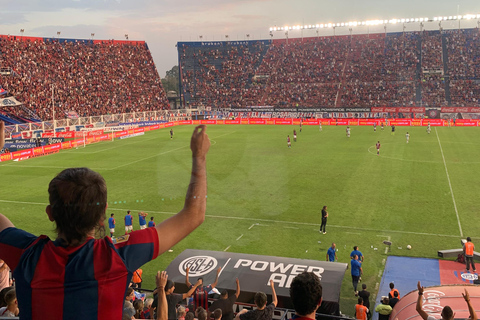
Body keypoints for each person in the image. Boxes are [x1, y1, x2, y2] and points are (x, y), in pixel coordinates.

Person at [0, 125, 210, 319]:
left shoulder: (26, 253)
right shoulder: (117, 256)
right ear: (102, 218)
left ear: (50, 213)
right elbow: (194, 214)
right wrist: (199, 156)